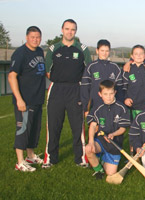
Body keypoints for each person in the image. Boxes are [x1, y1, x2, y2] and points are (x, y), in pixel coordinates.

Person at [43, 19, 91, 168]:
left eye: (73, 29)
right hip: (56, 89)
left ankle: (80, 158)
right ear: (62, 30)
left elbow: (88, 70)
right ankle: (50, 158)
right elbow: (48, 72)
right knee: (53, 125)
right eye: (67, 29)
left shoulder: (82, 49)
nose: (70, 32)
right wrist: (61, 79)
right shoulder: (53, 48)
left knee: (77, 126)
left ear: (75, 31)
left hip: (75, 90)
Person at [8, 26, 46, 171]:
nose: (35, 40)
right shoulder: (20, 53)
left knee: (34, 129)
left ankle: (30, 155)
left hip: (37, 99)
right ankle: (20, 161)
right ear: (26, 37)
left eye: (38, 37)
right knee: (22, 129)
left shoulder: (40, 51)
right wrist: (19, 99)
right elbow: (12, 76)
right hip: (24, 100)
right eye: (32, 37)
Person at [85, 80, 130, 179]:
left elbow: (123, 129)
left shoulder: (122, 108)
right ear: (100, 94)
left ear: (115, 93)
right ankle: (98, 170)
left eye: (111, 94)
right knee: (88, 148)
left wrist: (114, 134)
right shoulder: (97, 108)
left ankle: (101, 159)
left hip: (115, 144)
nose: (108, 96)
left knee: (110, 173)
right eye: (105, 94)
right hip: (100, 141)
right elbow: (92, 125)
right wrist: (91, 141)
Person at [81, 39, 124, 114]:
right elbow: (85, 88)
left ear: (109, 52)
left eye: (107, 51)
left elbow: (119, 89)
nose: (104, 53)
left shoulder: (115, 67)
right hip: (95, 105)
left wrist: (119, 105)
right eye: (102, 50)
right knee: (95, 125)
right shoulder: (91, 66)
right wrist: (86, 108)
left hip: (111, 106)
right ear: (97, 51)